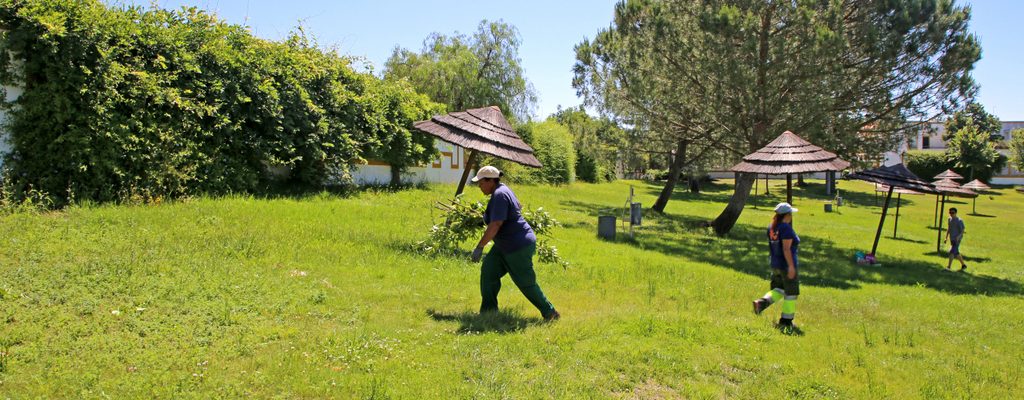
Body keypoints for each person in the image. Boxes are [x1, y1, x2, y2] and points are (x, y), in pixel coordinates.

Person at [469, 166, 560, 321]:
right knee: (489, 271)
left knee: (525, 282)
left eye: (481, 182)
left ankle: (550, 312)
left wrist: (480, 246)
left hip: (517, 246)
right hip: (504, 245)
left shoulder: (499, 194)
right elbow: (518, 206)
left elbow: (496, 224)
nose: (479, 186)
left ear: (491, 181)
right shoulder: (502, 189)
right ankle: (489, 312)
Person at [752, 202, 800, 332]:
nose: (791, 216)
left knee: (779, 289)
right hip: (786, 265)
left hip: (775, 264)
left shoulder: (772, 228)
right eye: (791, 214)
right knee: (791, 293)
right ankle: (786, 321)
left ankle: (761, 303)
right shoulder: (786, 229)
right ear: (787, 215)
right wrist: (791, 266)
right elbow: (786, 249)